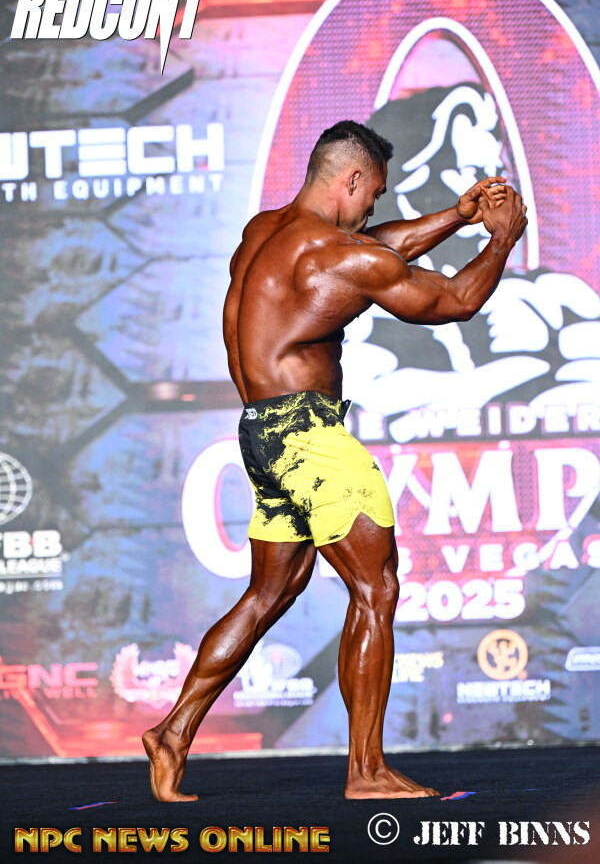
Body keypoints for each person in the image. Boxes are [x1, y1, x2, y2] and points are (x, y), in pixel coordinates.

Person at [143, 120, 527, 801]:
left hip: (262, 433)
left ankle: (172, 732)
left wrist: (456, 215)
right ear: (351, 179)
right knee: (376, 590)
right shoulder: (338, 255)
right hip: (311, 440)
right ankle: (367, 771)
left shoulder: (264, 233)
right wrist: (500, 238)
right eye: (374, 194)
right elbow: (456, 300)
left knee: (269, 594)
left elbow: (372, 248)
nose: (375, 206)